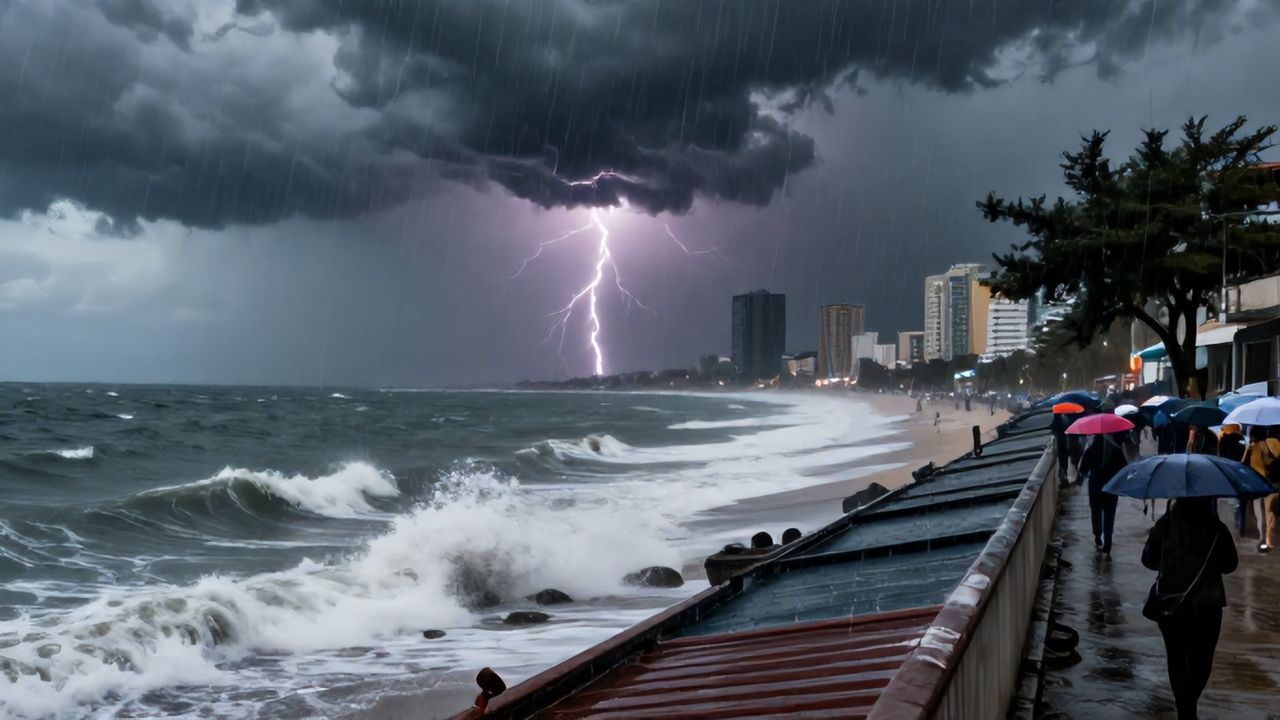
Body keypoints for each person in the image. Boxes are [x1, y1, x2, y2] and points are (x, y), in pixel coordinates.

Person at [1141, 497, 1238, 720]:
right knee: (1201, 661)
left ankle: (1184, 707)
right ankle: (1188, 704)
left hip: (1172, 603)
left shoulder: (1166, 524)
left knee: (1176, 657)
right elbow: (1230, 565)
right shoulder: (1216, 527)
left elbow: (1148, 560)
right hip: (1208, 604)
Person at [1079, 431, 1129, 556]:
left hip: (1095, 488)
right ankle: (1108, 542)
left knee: (1095, 512)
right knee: (1109, 515)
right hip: (1111, 488)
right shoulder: (1116, 450)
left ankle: (1097, 535)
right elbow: (1125, 468)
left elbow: (1083, 470)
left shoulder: (1090, 451)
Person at [1242, 426, 1280, 552]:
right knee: (1272, 513)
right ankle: (1270, 540)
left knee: (1262, 514)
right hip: (1276, 482)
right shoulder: (1275, 442)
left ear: (1253, 436)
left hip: (1262, 484)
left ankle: (1264, 539)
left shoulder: (1255, 447)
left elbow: (1252, 466)